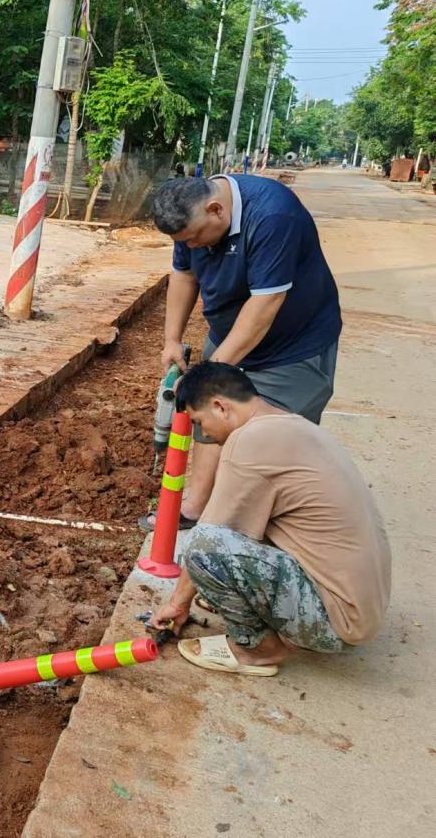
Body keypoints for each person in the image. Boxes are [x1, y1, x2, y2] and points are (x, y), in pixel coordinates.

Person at [151, 362, 390, 676]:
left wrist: (178, 604)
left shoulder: (248, 442)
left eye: (199, 422)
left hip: (335, 623)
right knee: (236, 535)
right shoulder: (293, 425)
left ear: (220, 406)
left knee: (202, 548)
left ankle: (256, 649)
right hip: (362, 607)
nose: (204, 434)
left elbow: (211, 535)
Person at [140, 174, 342, 531]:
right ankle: (197, 505)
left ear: (216, 210)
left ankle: (256, 529)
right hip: (230, 331)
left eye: (195, 239)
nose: (194, 247)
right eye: (185, 242)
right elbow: (184, 276)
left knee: (272, 439)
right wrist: (172, 339)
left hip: (293, 345)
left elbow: (266, 304)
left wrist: (210, 371)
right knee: (211, 417)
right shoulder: (190, 221)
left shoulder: (273, 217)